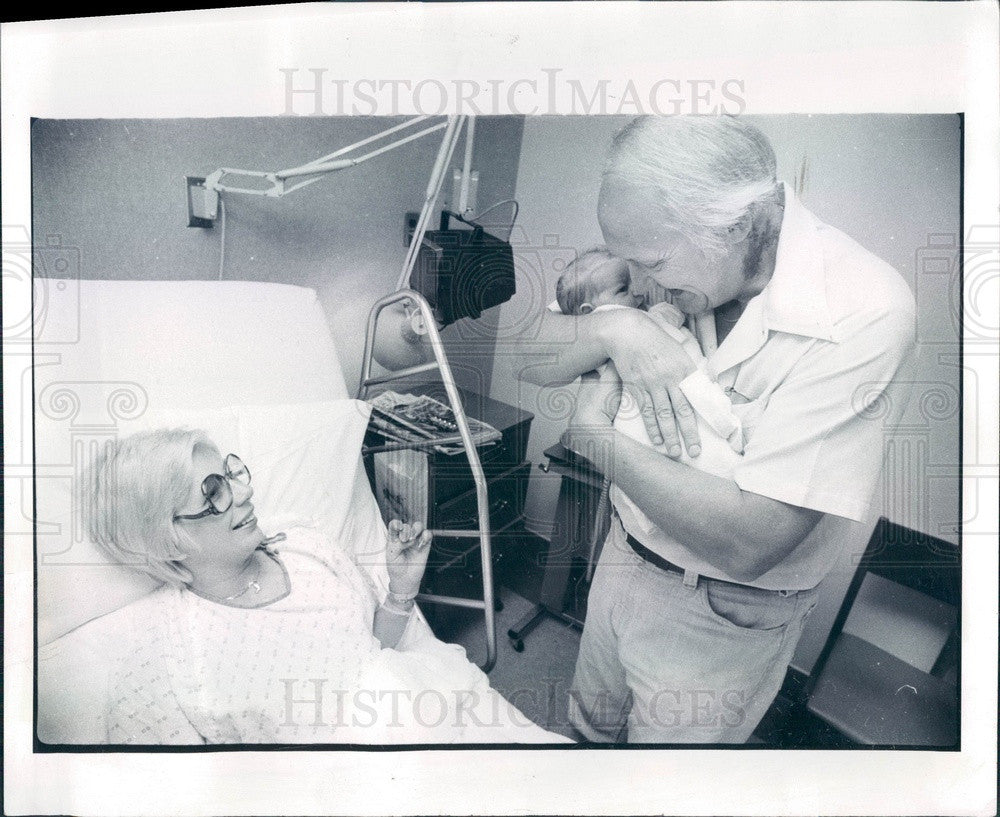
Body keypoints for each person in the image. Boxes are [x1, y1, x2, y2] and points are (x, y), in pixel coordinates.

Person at [530, 116, 916, 742]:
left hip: (722, 610)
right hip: (623, 554)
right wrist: (612, 327)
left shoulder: (865, 309)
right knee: (587, 733)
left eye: (652, 264)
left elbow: (750, 540)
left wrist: (594, 437)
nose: (642, 285)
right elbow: (537, 356)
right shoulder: (667, 252)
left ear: (737, 225)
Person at [88, 428, 563, 744]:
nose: (246, 491)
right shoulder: (171, 665)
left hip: (441, 715)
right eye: (213, 492)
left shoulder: (305, 547)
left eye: (232, 474)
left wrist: (400, 590)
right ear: (164, 537)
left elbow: (371, 652)